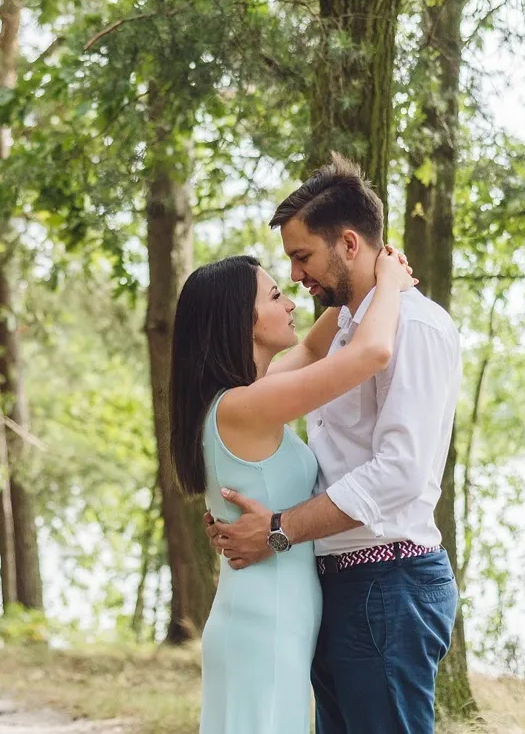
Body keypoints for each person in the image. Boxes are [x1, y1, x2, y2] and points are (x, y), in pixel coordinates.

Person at [204, 153, 463, 734]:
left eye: (302, 257)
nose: (296, 275)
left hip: (387, 585)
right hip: (338, 586)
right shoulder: (349, 327)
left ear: (348, 244)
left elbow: (400, 472)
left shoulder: (412, 329)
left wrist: (278, 529)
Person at [170, 243, 416, 734]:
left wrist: (362, 284)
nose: (292, 303)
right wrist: (389, 284)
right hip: (265, 624)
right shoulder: (242, 407)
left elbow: (309, 349)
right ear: (243, 321)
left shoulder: (237, 399)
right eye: (276, 295)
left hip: (264, 618)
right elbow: (372, 352)